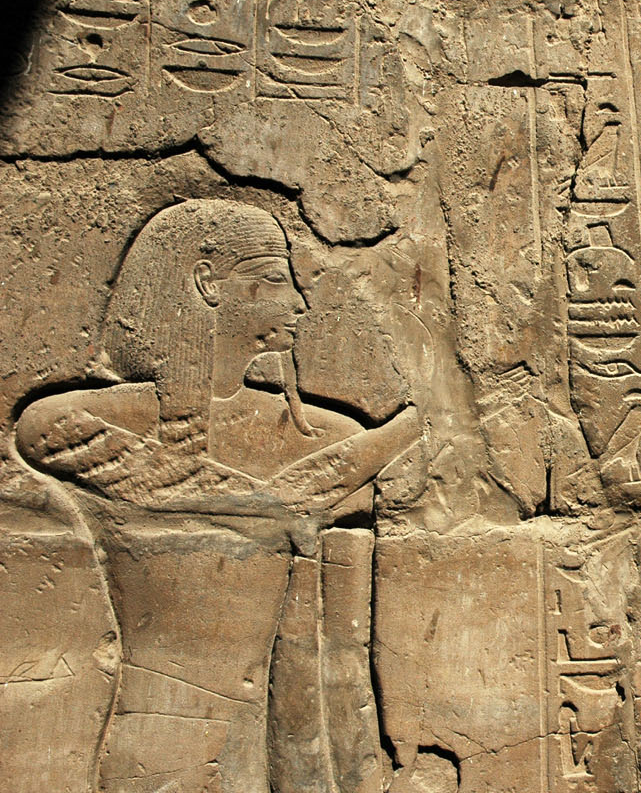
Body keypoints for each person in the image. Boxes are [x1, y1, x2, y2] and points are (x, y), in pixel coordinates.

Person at [15, 199, 420, 793]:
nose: (299, 304)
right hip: (160, 746)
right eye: (274, 280)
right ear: (207, 283)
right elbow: (245, 492)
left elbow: (340, 648)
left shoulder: (328, 434)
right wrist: (392, 438)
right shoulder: (83, 422)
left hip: (281, 746)